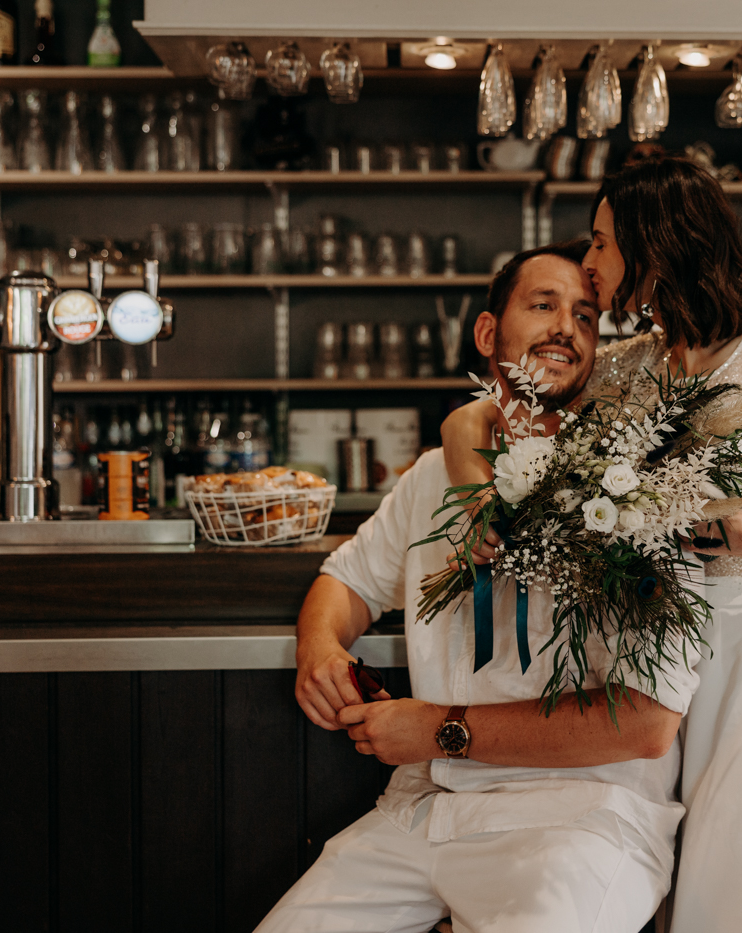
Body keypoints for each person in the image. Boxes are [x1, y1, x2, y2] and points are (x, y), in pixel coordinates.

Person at [443, 156, 742, 933]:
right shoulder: (625, 368)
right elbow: (479, 414)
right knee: (679, 884)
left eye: (603, 243)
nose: (589, 263)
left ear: (659, 245)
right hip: (652, 656)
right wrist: (479, 496)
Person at [255, 241, 703, 933]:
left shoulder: (638, 485)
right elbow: (346, 579)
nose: (565, 327)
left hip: (581, 822)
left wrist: (438, 727)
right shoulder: (435, 474)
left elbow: (648, 722)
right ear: (489, 332)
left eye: (585, 316)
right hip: (420, 811)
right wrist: (318, 646)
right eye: (543, 305)